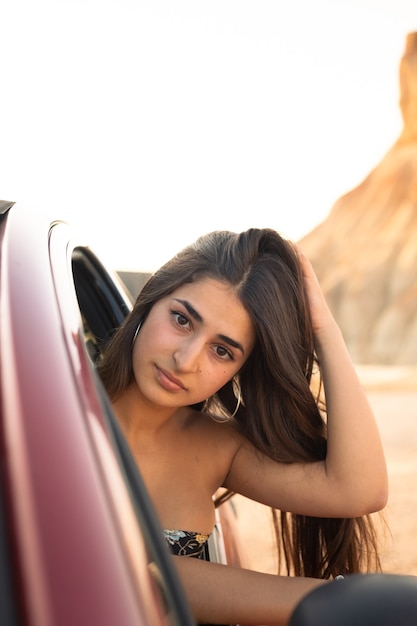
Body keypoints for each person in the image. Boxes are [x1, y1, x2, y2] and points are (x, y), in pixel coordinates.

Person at [97, 228, 388, 626]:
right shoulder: (45, 409)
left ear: (240, 369)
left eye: (222, 350)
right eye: (182, 319)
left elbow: (359, 490)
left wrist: (323, 330)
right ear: (151, 298)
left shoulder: (217, 448)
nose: (186, 359)